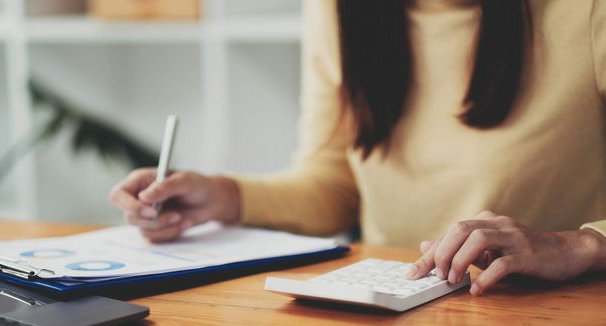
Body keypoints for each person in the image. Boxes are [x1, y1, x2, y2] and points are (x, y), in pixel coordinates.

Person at [110, 0, 606, 296]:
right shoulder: (340, 8)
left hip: (542, 310)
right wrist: (222, 196)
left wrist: (575, 244)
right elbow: (333, 186)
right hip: (390, 306)